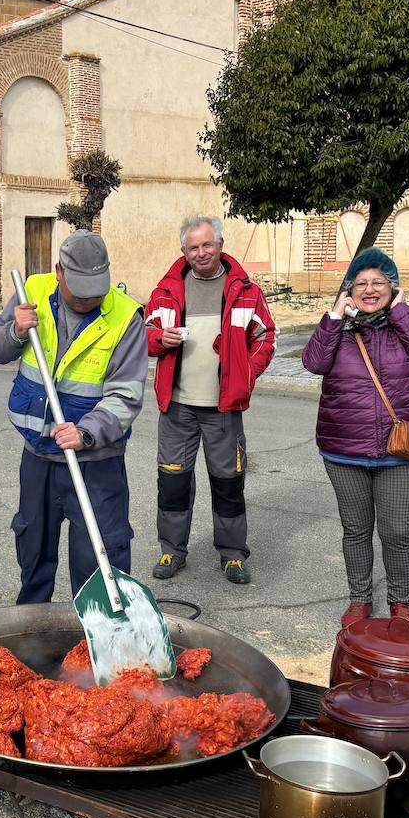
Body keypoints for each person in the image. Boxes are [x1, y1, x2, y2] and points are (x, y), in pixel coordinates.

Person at [0, 230, 146, 604]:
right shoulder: (32, 293)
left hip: (95, 463)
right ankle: (33, 640)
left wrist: (87, 432)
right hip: (38, 456)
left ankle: (98, 645)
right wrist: (14, 331)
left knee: (99, 563)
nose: (89, 299)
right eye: (80, 291)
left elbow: (126, 395)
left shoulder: (125, 316)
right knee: (34, 554)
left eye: (96, 291)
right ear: (59, 272)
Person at [300, 247, 409, 628]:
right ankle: (359, 598)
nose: (369, 289)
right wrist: (334, 315)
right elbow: (313, 363)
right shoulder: (338, 328)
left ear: (393, 287)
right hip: (343, 448)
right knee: (356, 529)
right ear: (349, 291)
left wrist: (400, 311)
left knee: (397, 530)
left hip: (401, 450)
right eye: (360, 283)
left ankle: (400, 602)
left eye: (378, 282)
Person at [145, 216, 277, 586]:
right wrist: (159, 340)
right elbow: (146, 333)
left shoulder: (245, 290)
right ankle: (172, 549)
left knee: (229, 484)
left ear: (220, 244)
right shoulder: (167, 289)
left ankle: (233, 555)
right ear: (183, 251)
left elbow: (266, 337)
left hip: (223, 409)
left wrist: (244, 374)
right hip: (177, 408)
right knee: (172, 483)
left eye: (206, 245)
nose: (200, 253)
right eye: (192, 247)